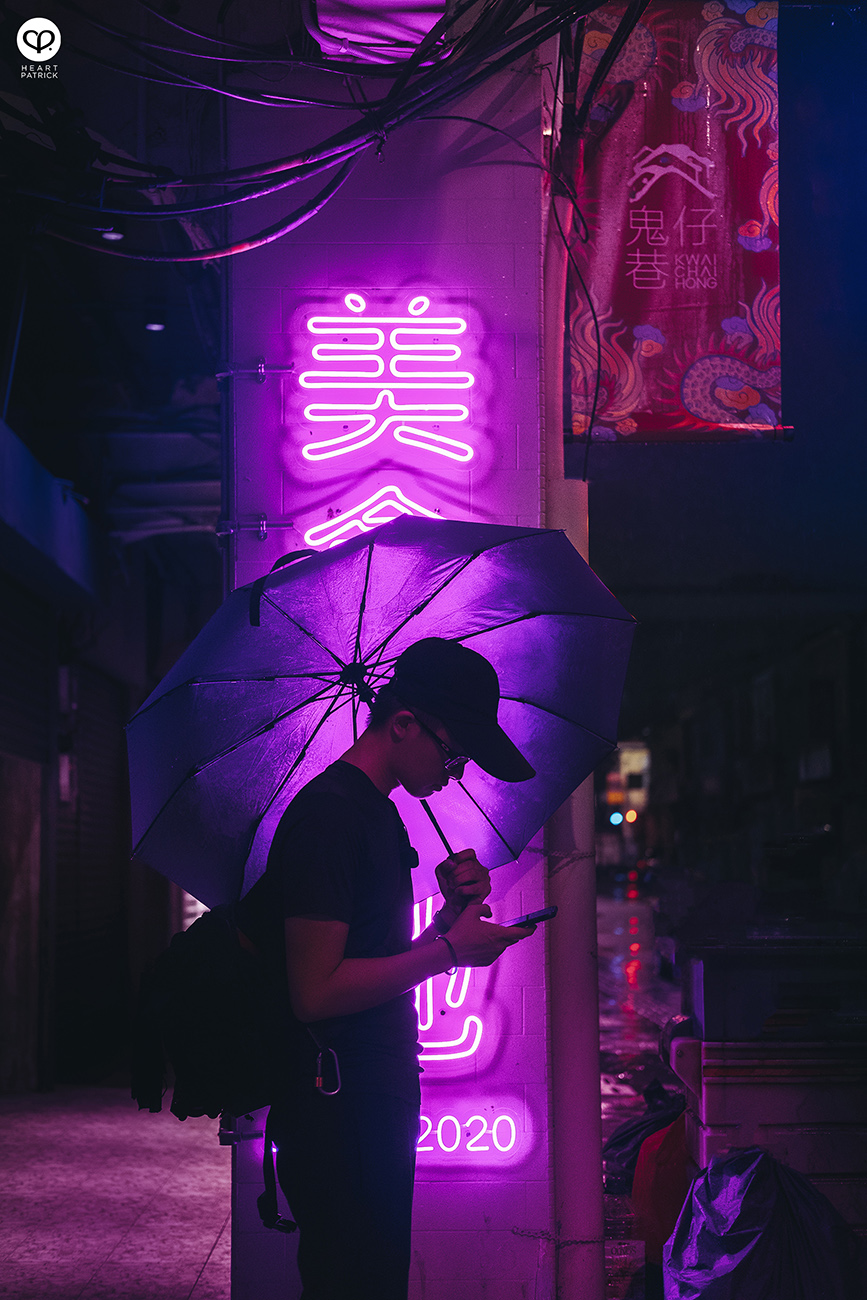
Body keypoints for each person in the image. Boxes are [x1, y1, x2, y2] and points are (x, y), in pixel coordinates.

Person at [234, 636, 537, 1300]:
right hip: (336, 1109)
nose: (455, 773)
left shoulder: (375, 813)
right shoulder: (329, 818)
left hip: (367, 1100)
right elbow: (314, 993)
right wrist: (451, 952)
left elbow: (369, 964)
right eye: (453, 753)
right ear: (402, 725)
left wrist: (446, 918)